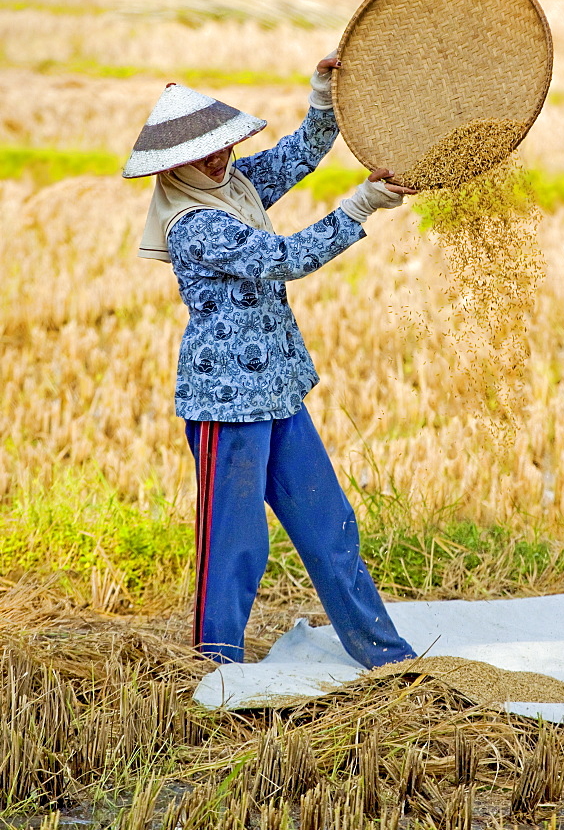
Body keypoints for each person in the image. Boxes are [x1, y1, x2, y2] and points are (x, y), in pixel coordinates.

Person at [123, 53, 418, 668]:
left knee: (329, 526)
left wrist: (323, 94)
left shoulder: (235, 185)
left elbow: (302, 154)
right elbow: (281, 258)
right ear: (171, 166)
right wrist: (359, 208)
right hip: (227, 405)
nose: (217, 159)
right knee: (236, 544)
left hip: (277, 390)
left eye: (221, 146)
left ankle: (388, 659)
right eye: (201, 154)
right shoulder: (192, 224)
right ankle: (215, 668)